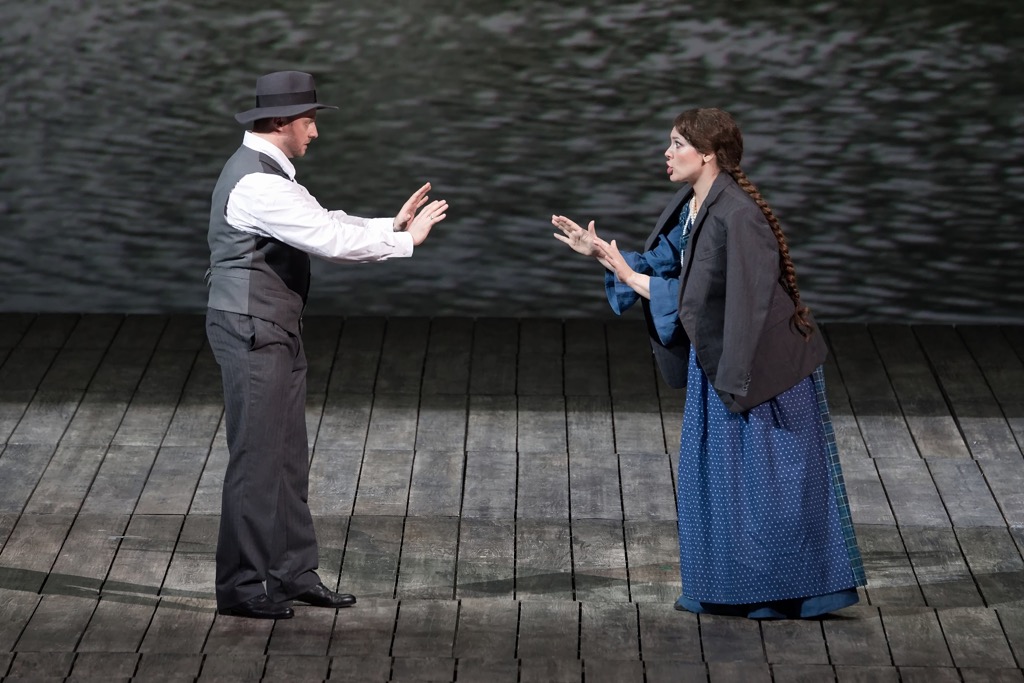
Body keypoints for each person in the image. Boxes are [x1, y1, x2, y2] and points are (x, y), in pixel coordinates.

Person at [552, 108, 865, 619]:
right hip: (719, 358)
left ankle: (783, 592)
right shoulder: (693, 206)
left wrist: (734, 376)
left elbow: (723, 300)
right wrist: (603, 255)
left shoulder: (737, 215)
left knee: (768, 486)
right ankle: (729, 586)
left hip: (758, 368)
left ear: (708, 155)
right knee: (722, 481)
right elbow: (663, 270)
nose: (667, 152)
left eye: (678, 144)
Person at [205, 70, 448, 619]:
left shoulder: (271, 173)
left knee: (287, 456)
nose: (314, 132)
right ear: (280, 122)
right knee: (256, 458)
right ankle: (241, 587)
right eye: (309, 121)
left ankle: (292, 573)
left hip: (273, 326)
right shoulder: (257, 182)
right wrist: (405, 243)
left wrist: (390, 226)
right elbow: (327, 239)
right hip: (252, 328)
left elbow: (322, 220)